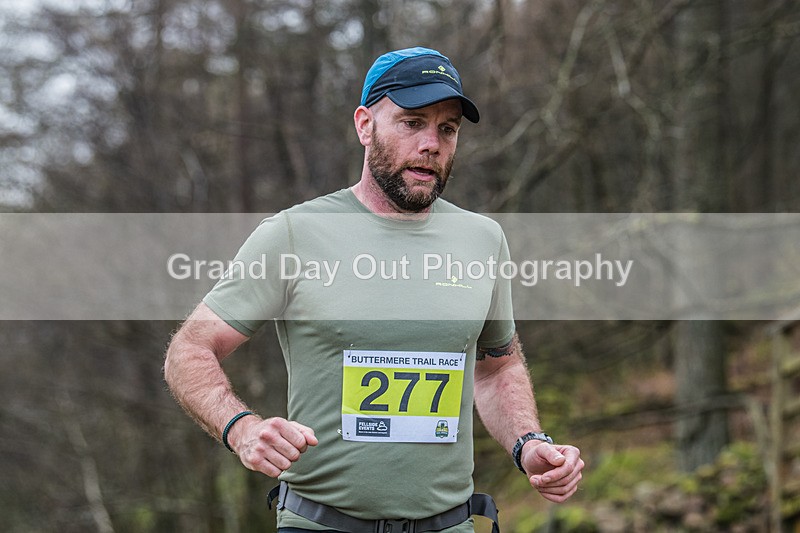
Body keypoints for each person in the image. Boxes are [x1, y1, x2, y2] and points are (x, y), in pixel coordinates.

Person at [164, 46, 583, 532]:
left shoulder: (483, 239)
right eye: (412, 122)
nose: (432, 143)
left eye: (447, 129)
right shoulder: (294, 234)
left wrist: (529, 444)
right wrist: (242, 429)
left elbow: (496, 368)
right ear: (365, 125)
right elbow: (190, 349)